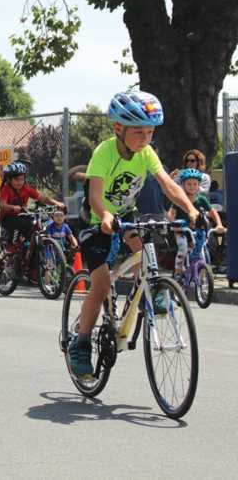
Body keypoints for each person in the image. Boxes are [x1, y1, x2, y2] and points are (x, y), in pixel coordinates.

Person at [68, 91, 199, 378]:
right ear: (118, 128)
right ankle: (81, 342)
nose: (145, 138)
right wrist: (104, 216)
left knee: (146, 255)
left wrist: (190, 209)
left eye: (150, 132)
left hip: (127, 215)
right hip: (96, 220)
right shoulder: (104, 153)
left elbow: (168, 184)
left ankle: (155, 291)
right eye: (138, 132)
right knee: (101, 285)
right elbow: (95, 196)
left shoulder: (147, 153)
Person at [167, 168, 225, 277]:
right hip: (182, 230)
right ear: (183, 185)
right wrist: (173, 223)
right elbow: (171, 213)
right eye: (188, 184)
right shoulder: (180, 199)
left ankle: (201, 275)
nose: (192, 187)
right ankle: (178, 271)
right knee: (183, 247)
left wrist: (219, 224)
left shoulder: (202, 199)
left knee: (201, 248)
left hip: (198, 230)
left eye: (195, 184)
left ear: (199, 185)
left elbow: (213, 212)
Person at [0, 161, 65, 247]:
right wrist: (12, 207)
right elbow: (2, 205)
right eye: (16, 180)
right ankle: (10, 247)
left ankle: (29, 249)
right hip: (7, 218)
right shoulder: (6, 189)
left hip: (22, 215)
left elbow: (42, 198)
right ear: (10, 179)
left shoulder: (26, 188)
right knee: (23, 224)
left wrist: (57, 203)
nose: (19, 182)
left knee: (35, 226)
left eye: (22, 179)